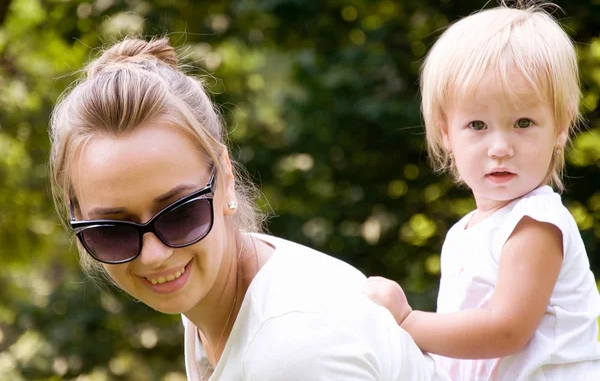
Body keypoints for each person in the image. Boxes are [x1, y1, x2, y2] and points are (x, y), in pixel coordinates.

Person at [48, 37, 450, 380]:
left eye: (180, 213)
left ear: (225, 177)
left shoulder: (293, 348)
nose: (154, 255)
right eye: (112, 231)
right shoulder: (219, 296)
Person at [362, 0, 600, 381]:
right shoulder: (464, 232)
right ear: (446, 133)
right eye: (477, 125)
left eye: (523, 123)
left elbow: (506, 330)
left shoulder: (535, 223)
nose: (501, 148)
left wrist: (406, 320)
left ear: (559, 127)